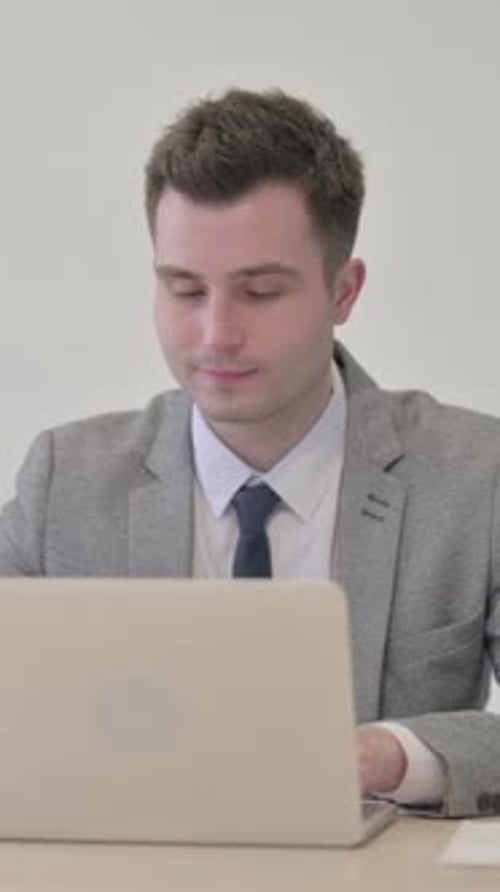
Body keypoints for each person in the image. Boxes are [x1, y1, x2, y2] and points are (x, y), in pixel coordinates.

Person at [1, 88, 500, 818]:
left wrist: (392, 755)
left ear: (344, 291)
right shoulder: (67, 479)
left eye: (260, 291)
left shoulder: (476, 475)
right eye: (184, 289)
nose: (215, 335)